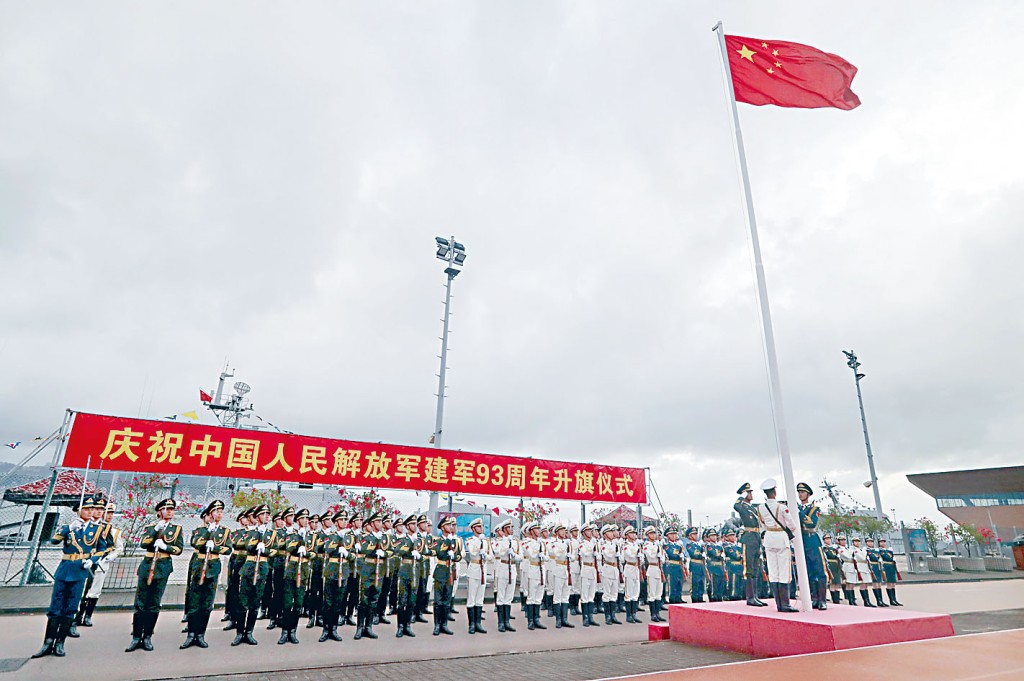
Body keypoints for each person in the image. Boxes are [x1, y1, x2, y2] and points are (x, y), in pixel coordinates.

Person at [32, 495, 105, 659]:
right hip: (64, 570)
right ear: (78, 510)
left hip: (80, 571)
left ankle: (60, 643)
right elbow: (54, 540)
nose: (89, 511)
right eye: (86, 509)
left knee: (71, 607)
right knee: (55, 607)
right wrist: (69, 528)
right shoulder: (69, 527)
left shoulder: (97, 529)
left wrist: (92, 560)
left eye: (91, 509)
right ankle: (47, 642)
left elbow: (102, 548)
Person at [126, 498, 184, 652]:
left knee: (154, 603)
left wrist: (166, 547)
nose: (169, 511)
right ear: (159, 511)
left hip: (163, 567)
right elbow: (144, 543)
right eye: (166, 508)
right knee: (140, 603)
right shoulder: (150, 527)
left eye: (172, 509)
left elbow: (179, 549)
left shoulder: (176, 529)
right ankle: (136, 637)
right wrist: (155, 530)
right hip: (147, 565)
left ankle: (147, 637)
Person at [181, 499, 231, 649]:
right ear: (210, 513)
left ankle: (201, 634)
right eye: (217, 511)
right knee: (195, 601)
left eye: (221, 511)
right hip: (199, 566)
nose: (219, 514)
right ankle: (191, 634)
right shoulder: (200, 530)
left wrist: (215, 547)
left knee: (207, 603)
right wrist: (207, 538)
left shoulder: (224, 531)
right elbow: (195, 542)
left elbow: (228, 549)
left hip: (213, 567)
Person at [232, 504, 281, 646]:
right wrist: (255, 546)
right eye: (263, 514)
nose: (266, 516)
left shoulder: (272, 534)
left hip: (262, 568)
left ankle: (249, 632)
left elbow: (275, 551)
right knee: (243, 601)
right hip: (249, 568)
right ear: (257, 516)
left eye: (268, 514)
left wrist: (264, 550)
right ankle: (239, 633)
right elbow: (247, 546)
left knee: (255, 602)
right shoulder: (250, 532)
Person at [78, 501, 124, 630]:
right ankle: (77, 616)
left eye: (110, 513)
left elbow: (118, 548)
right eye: (106, 512)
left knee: (94, 591)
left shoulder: (112, 531)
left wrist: (109, 557)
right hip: (85, 562)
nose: (108, 515)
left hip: (101, 564)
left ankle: (87, 616)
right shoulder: (85, 526)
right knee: (81, 590)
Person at [756, 479, 799, 613]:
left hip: (769, 537)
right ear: (774, 491)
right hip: (781, 537)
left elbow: (762, 524)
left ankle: (778, 604)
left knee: (773, 572)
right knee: (784, 571)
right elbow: (792, 525)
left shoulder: (760, 508)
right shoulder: (781, 507)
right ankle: (785, 604)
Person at [733, 482, 767, 607]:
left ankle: (756, 596)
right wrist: (741, 495)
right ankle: (750, 597)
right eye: (749, 492)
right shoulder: (742, 507)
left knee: (756, 568)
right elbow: (735, 505)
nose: (751, 494)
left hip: (756, 538)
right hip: (748, 538)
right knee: (749, 569)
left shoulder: (753, 508)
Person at [796, 482, 828, 610]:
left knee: (819, 570)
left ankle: (822, 600)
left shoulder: (814, 509)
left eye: (802, 492)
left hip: (812, 540)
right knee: (807, 571)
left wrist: (798, 512)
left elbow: (811, 523)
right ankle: (814, 598)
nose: (800, 494)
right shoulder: (797, 509)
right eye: (799, 492)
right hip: (801, 541)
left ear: (808, 494)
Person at [318, 510, 348, 643]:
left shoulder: (350, 537)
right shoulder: (330, 536)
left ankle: (334, 629)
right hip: (331, 571)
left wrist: (347, 553)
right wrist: (338, 538)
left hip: (344, 572)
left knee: (338, 603)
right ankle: (326, 629)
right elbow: (327, 549)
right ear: (336, 523)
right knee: (328, 602)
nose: (344, 522)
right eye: (341, 520)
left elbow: (354, 555)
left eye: (345, 520)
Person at [391, 514, 421, 638]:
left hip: (415, 572)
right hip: (404, 572)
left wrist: (420, 555)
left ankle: (408, 625)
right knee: (402, 600)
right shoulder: (403, 540)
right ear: (408, 526)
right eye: (413, 524)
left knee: (411, 601)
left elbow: (427, 552)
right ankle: (400, 627)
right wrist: (410, 549)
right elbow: (397, 550)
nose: (415, 526)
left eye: (415, 524)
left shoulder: (419, 540)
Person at [432, 516, 461, 635]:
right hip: (440, 571)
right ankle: (437, 625)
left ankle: (444, 624)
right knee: (438, 601)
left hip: (450, 572)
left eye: (451, 525)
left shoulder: (455, 541)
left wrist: (454, 556)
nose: (451, 527)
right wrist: (447, 548)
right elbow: (438, 553)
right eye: (448, 525)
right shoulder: (438, 540)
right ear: (443, 527)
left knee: (446, 600)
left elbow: (459, 556)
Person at [224, 508, 252, 632]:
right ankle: (231, 615)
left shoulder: (252, 532)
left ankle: (240, 619)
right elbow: (234, 543)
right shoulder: (236, 532)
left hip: (247, 559)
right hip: (236, 559)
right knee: (233, 588)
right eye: (245, 517)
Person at [463, 517, 491, 633]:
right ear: (474, 528)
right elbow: (473, 553)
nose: (482, 528)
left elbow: (491, 556)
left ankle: (478, 623)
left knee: (480, 599)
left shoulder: (486, 541)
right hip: (474, 570)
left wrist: (485, 555)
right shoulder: (470, 540)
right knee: (471, 599)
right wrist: (480, 545)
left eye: (482, 526)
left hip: (483, 570)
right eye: (479, 527)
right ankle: (472, 624)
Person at [547, 524, 574, 629]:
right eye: (561, 530)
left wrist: (571, 555)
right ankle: (558, 619)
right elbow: (556, 553)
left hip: (567, 570)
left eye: (564, 530)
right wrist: (564, 548)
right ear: (557, 532)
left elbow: (573, 556)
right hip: (558, 569)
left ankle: (565, 619)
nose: (564, 532)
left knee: (565, 596)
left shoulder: (567, 543)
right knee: (557, 596)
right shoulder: (554, 543)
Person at [304, 513, 325, 630]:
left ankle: (320, 616)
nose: (314, 524)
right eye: (312, 522)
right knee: (312, 592)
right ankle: (311, 616)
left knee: (321, 592)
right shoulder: (306, 535)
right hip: (310, 565)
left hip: (320, 565)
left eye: (316, 522)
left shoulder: (321, 535)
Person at [641, 526, 666, 621]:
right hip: (652, 568)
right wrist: (657, 553)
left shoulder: (658, 545)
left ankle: (658, 613)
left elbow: (663, 558)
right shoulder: (646, 545)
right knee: (652, 593)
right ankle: (653, 614)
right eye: (651, 533)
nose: (654, 535)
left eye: (654, 533)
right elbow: (650, 555)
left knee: (658, 593)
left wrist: (661, 557)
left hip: (659, 569)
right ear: (647, 535)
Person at [841, 536, 873, 607]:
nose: (857, 543)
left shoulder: (862, 549)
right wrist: (866, 557)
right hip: (855, 566)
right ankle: (851, 601)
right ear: (853, 542)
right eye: (855, 541)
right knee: (850, 584)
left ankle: (866, 601)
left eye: (858, 541)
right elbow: (853, 557)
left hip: (864, 567)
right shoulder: (852, 550)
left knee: (864, 584)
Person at [413, 515, 433, 624]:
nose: (426, 525)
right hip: (418, 566)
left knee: (423, 590)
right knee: (415, 590)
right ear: (419, 525)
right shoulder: (417, 537)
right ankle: (413, 613)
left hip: (425, 566)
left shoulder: (429, 538)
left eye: (426, 523)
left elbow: (431, 551)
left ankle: (419, 613)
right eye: (423, 523)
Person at [662, 528, 686, 604]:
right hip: (671, 566)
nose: (674, 536)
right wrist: (679, 555)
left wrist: (682, 556)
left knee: (679, 582)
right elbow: (671, 554)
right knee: (673, 583)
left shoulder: (678, 546)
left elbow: (682, 555)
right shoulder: (666, 546)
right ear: (667, 536)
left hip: (679, 565)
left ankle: (678, 597)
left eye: (675, 534)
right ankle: (672, 598)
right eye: (672, 534)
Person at [684, 527, 707, 603]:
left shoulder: (699, 545)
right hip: (694, 565)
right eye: (693, 534)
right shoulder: (689, 544)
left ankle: (700, 597)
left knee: (701, 583)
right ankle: (694, 598)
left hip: (701, 565)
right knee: (695, 583)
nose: (696, 535)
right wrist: (702, 554)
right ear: (689, 536)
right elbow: (694, 554)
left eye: (696, 534)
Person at [878, 538, 903, 606]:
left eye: (884, 542)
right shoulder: (879, 551)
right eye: (881, 542)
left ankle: (894, 599)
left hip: (892, 566)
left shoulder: (889, 551)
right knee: (889, 583)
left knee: (893, 583)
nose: (883, 543)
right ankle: (891, 600)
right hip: (886, 566)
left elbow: (892, 558)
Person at [722, 528, 745, 601]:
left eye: (733, 535)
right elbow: (735, 556)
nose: (733, 537)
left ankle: (738, 595)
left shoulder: (737, 546)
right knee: (733, 582)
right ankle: (732, 595)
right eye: (730, 535)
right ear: (726, 537)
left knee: (739, 582)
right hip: (732, 566)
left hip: (739, 566)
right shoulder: (726, 546)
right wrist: (740, 555)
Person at [864, 538, 887, 607]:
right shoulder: (866, 550)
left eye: (871, 542)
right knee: (875, 584)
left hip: (878, 566)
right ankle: (878, 600)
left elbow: (879, 558)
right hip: (872, 566)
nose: (870, 543)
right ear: (866, 543)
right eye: (869, 542)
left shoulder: (876, 550)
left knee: (879, 584)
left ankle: (880, 600)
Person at [822, 534, 843, 605]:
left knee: (837, 583)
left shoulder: (834, 548)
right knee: (832, 583)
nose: (828, 540)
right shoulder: (825, 548)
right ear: (824, 540)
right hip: (830, 565)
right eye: (826, 539)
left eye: (829, 539)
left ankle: (837, 598)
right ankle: (834, 599)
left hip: (836, 565)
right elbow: (830, 555)